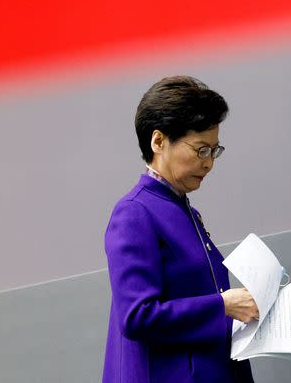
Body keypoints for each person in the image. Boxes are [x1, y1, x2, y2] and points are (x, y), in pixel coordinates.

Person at [102, 76, 258, 383]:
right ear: (158, 141)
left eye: (214, 151)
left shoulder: (184, 210)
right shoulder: (134, 213)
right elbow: (137, 316)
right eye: (201, 150)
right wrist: (223, 305)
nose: (209, 163)